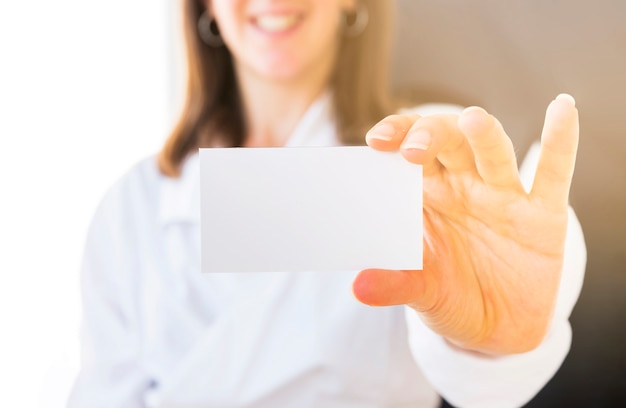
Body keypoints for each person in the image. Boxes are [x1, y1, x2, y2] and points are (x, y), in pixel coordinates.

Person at [68, 0, 586, 407]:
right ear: (204, 4)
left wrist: (495, 343)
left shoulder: (429, 153)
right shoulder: (133, 207)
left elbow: (482, 379)